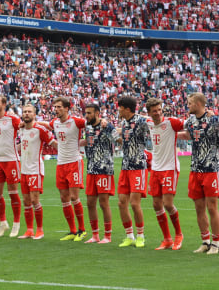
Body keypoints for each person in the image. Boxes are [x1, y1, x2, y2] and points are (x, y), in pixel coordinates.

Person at [183, 93, 219, 255]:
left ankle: (216, 243)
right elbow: (187, 134)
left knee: (212, 207)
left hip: (211, 170)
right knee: (199, 208)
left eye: (190, 103)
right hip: (195, 169)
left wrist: (216, 115)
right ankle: (205, 241)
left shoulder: (214, 120)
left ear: (199, 103)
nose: (188, 105)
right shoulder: (189, 121)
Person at [145, 98, 184, 250]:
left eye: (159, 109)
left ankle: (179, 235)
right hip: (155, 168)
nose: (158, 113)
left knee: (167, 204)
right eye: (154, 111)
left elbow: (191, 124)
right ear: (149, 113)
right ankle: (167, 239)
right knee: (156, 204)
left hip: (169, 167)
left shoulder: (171, 123)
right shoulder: (148, 123)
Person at [48, 97, 87, 242]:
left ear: (66, 108)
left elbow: (92, 124)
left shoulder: (77, 121)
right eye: (55, 107)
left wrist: (87, 140)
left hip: (74, 162)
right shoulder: (55, 122)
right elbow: (47, 125)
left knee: (74, 197)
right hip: (61, 164)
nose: (56, 109)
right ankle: (72, 230)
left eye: (59, 107)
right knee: (64, 198)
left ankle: (82, 230)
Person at [80, 104, 117, 244]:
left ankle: (107, 236)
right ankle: (95, 235)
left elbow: (118, 140)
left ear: (97, 113)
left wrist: (108, 126)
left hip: (104, 169)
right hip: (91, 169)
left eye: (89, 113)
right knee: (90, 203)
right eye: (86, 113)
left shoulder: (106, 126)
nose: (86, 116)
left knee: (103, 203)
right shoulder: (87, 127)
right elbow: (88, 142)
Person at [18, 104, 56, 239]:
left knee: (35, 200)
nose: (26, 114)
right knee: (26, 201)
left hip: (36, 169)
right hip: (24, 170)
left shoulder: (40, 130)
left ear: (34, 115)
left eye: (29, 112)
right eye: (24, 112)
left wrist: (68, 149)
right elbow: (22, 146)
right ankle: (29, 230)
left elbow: (53, 143)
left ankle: (40, 230)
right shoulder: (21, 130)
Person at [116, 96, 150, 248]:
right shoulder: (124, 122)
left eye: (120, 107)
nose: (118, 110)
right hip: (125, 167)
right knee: (122, 203)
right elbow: (126, 140)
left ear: (127, 109)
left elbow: (155, 126)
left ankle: (141, 236)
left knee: (135, 204)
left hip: (138, 167)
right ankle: (129, 235)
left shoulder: (142, 121)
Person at [0, 94, 22, 237]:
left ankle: (16, 223)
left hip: (11, 160)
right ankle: (3, 223)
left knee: (13, 193)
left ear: (3, 104)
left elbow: (25, 127)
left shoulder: (12, 119)